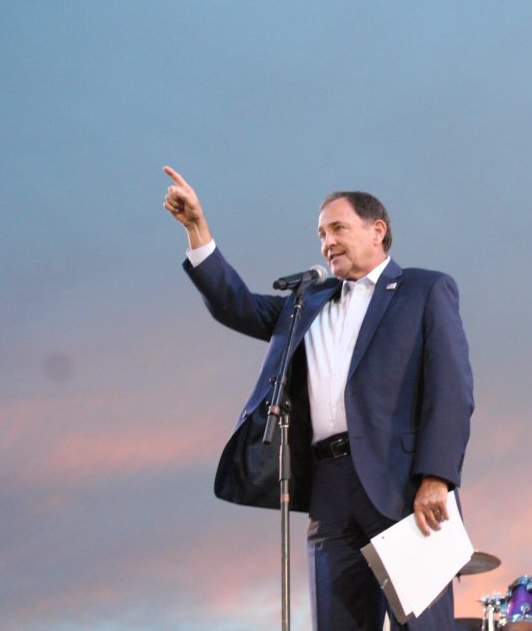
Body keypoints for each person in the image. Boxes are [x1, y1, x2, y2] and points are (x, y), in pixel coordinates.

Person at [162, 166, 475, 630]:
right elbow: (237, 306)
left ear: (377, 230)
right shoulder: (307, 302)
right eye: (321, 234)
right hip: (329, 492)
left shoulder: (423, 290)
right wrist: (197, 230)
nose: (327, 241)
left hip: (403, 488)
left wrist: (437, 477)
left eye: (338, 228)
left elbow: (451, 390)